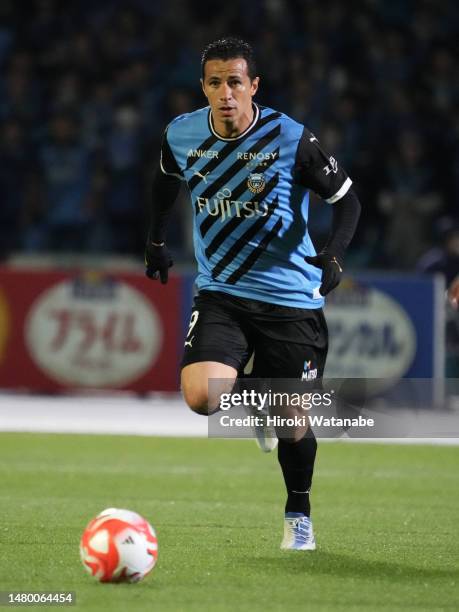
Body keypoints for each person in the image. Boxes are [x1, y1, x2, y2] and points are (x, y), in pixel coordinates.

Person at [145, 37, 361, 551]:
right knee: (202, 397)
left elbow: (347, 201)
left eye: (235, 82)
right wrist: (155, 241)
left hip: (292, 301)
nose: (225, 93)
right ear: (204, 87)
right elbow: (163, 185)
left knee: (293, 424)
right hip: (222, 292)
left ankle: (298, 515)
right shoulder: (181, 134)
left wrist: (332, 255)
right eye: (215, 82)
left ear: (253, 86)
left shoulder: (291, 138)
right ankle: (261, 398)